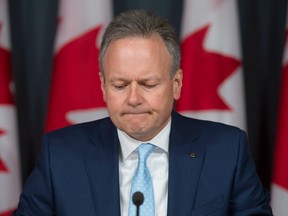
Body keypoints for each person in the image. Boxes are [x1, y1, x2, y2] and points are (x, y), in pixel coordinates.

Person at [14, 9, 272, 216]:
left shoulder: (227, 151)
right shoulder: (60, 155)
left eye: (148, 84)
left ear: (177, 84)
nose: (133, 99)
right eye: (120, 85)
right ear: (103, 87)